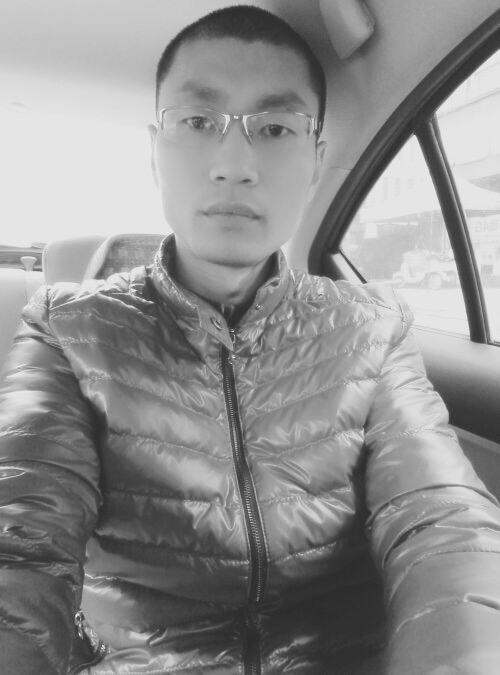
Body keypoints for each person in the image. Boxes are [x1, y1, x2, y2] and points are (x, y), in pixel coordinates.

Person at [1, 5, 500, 674]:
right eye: (197, 121)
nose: (234, 163)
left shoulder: (371, 325)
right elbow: (22, 540)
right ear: (155, 152)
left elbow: (442, 521)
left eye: (274, 127)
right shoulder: (67, 328)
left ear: (316, 159)